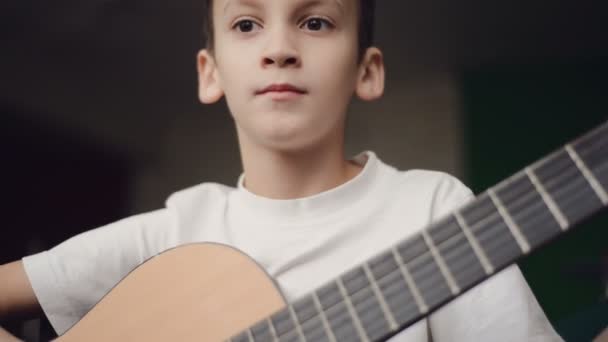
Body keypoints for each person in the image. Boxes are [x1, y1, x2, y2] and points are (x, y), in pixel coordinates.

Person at [0, 0, 563, 340]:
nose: (279, 48)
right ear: (210, 72)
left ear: (366, 71)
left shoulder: (433, 210)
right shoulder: (173, 233)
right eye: (246, 24)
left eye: (315, 22)